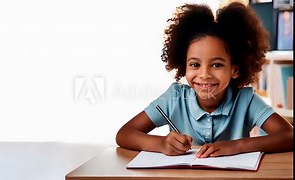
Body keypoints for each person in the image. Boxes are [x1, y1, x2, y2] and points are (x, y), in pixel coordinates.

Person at [116, 2, 293, 158]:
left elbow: (288, 135)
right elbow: (124, 134)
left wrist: (237, 146)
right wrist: (161, 144)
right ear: (183, 65)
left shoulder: (246, 100)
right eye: (194, 64)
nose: (204, 74)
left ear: (235, 69)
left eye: (216, 65)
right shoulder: (174, 98)